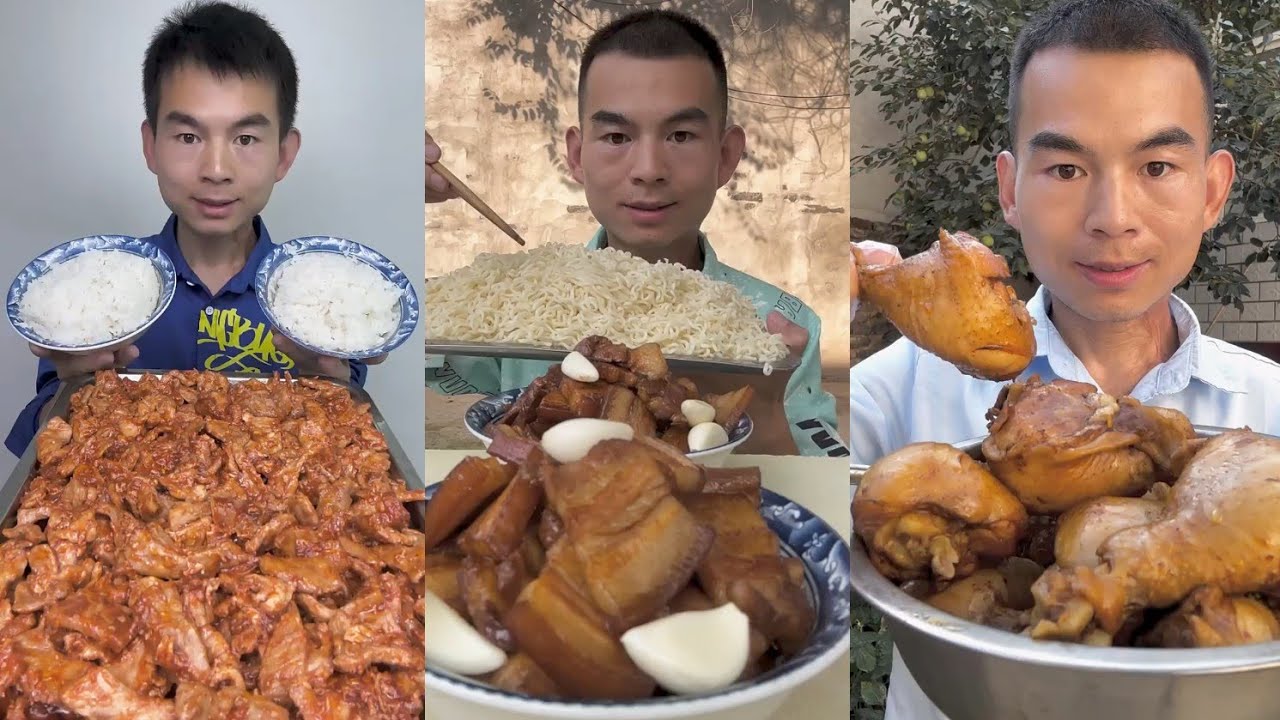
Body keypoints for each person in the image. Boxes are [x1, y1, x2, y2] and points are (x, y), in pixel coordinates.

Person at [850, 0, 1280, 717]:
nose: (1113, 215)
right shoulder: (885, 396)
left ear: (1211, 191)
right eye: (1066, 169)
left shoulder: (1268, 405)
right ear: (1009, 189)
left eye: (1157, 165)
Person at [426, 9, 844, 457]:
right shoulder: (503, 303)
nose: (648, 170)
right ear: (577, 155)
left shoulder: (779, 326)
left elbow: (820, 492)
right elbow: (391, 338)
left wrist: (758, 409)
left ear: (725, 156)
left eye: (681, 135)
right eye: (617, 137)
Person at [6, 1, 387, 458]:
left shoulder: (325, 304)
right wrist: (74, 386)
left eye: (245, 139)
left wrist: (332, 383)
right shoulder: (94, 295)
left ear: (284, 154)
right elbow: (36, 450)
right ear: (150, 146)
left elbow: (348, 453)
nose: (216, 169)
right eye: (188, 137)